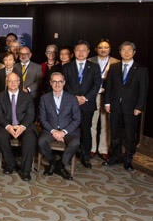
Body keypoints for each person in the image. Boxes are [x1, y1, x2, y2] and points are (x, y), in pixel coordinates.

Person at [103, 41, 149, 170]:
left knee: (129, 135)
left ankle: (128, 160)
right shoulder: (114, 67)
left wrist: (139, 107)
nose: (126, 52)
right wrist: (107, 102)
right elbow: (109, 86)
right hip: (115, 106)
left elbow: (143, 90)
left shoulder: (141, 69)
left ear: (134, 52)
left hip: (132, 108)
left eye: (129, 50)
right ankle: (115, 156)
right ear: (120, 52)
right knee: (115, 134)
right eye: (124, 50)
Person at [62, 41, 101, 169]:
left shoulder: (94, 67)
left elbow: (97, 85)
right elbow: (64, 84)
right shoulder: (67, 67)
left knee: (86, 131)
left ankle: (85, 157)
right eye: (78, 50)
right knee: (69, 130)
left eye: (84, 50)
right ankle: (67, 156)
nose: (81, 53)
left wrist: (85, 98)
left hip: (87, 104)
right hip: (70, 104)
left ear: (88, 52)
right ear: (74, 52)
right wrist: (74, 98)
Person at [38, 72, 81, 180]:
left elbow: (77, 119)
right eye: (54, 81)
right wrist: (53, 131)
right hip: (50, 130)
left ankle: (61, 165)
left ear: (64, 83)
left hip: (68, 131)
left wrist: (63, 132)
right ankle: (52, 161)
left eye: (60, 81)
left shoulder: (72, 98)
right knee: (41, 141)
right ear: (50, 83)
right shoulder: (44, 98)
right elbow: (42, 119)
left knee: (75, 142)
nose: (57, 84)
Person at [0, 72, 36, 181]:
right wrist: (8, 127)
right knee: (0, 136)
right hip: (7, 125)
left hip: (23, 125)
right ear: (6, 82)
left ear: (19, 82)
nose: (13, 83)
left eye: (15, 81)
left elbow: (30, 114)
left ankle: (26, 171)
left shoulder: (27, 96)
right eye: (10, 81)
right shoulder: (0, 96)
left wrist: (22, 126)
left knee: (30, 138)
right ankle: (10, 164)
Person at [89, 38, 118, 161]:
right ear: (96, 49)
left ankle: (104, 149)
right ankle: (92, 148)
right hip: (93, 95)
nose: (103, 49)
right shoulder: (90, 61)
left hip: (108, 96)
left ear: (110, 49)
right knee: (92, 122)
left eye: (106, 47)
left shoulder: (116, 62)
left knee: (106, 124)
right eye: (100, 47)